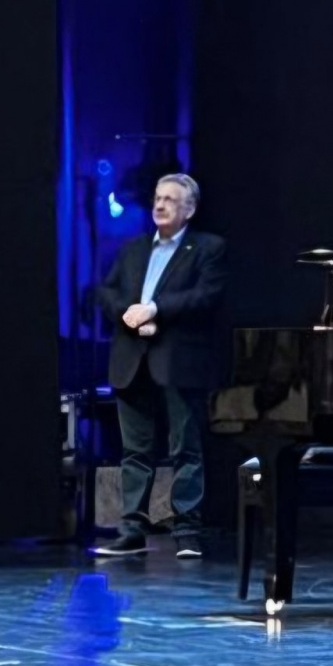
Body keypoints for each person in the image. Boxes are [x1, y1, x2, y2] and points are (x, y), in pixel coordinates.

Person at [92, 174, 228, 559]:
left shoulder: (208, 248)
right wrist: (130, 315)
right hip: (131, 358)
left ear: (190, 209)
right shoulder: (133, 249)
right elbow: (106, 291)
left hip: (177, 361)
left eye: (170, 199)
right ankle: (132, 530)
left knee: (185, 448)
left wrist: (156, 311)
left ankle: (187, 531)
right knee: (134, 451)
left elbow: (206, 297)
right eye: (157, 197)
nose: (160, 204)